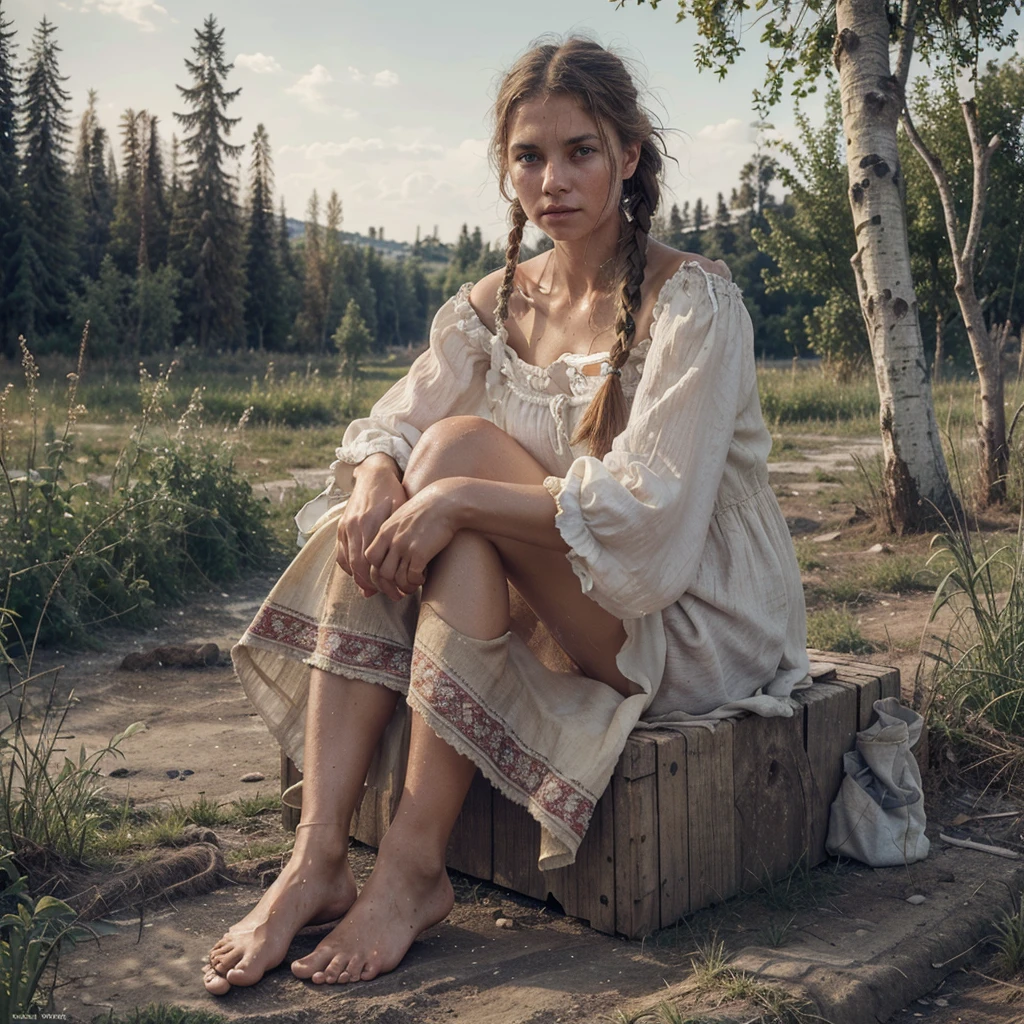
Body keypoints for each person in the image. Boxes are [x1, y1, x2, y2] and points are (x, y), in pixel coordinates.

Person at [203, 36, 808, 995]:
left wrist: (452, 493)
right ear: (505, 166)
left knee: (454, 466)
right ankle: (320, 859)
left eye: (581, 151)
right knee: (417, 472)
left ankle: (406, 870)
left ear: (630, 156)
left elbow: (650, 529)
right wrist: (376, 477)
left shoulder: (694, 302)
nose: (552, 179)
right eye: (529, 155)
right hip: (573, 602)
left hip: (690, 624)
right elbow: (393, 422)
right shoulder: (494, 305)